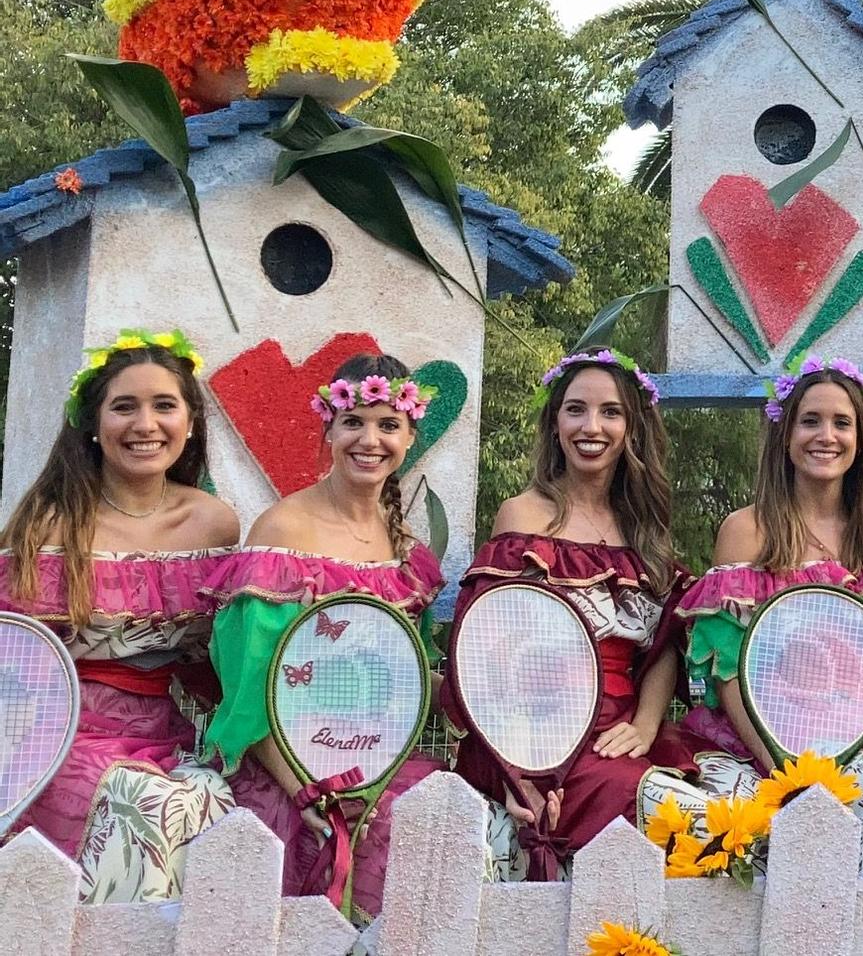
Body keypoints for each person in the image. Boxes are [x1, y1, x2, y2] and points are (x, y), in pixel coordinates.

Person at [201, 353, 519, 917]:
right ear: (329, 426)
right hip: (290, 761)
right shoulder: (283, 531)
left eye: (388, 425)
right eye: (354, 422)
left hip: (382, 760)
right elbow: (250, 681)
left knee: (448, 828)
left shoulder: (407, 554)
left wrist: (489, 693)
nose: (369, 439)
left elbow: (408, 677)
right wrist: (303, 789)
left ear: (409, 435)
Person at [669, 355, 863, 875]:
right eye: (810, 421)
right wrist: (784, 767)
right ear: (785, 435)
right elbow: (727, 668)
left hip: (858, 730)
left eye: (842, 423)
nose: (827, 436)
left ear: (860, 439)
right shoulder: (746, 531)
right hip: (763, 739)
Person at [0, 331, 240, 902]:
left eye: (164, 406)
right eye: (124, 406)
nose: (145, 424)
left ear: (190, 421)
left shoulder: (216, 525)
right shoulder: (50, 529)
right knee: (149, 805)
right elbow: (13, 667)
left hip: (180, 728)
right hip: (63, 732)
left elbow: (225, 654)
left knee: (221, 806)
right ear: (94, 421)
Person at [449, 348, 706, 877]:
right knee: (662, 811)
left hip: (625, 731)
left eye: (610, 412)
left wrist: (646, 722)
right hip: (539, 732)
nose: (593, 426)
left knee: (721, 811)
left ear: (632, 427)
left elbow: (662, 645)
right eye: (576, 409)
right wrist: (514, 764)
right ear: (555, 422)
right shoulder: (524, 516)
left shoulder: (645, 529)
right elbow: (487, 654)